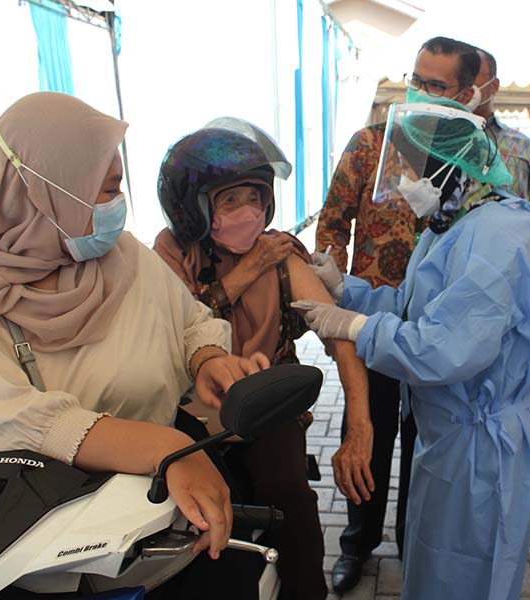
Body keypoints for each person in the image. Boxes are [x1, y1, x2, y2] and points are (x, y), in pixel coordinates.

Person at [0, 93, 273, 598]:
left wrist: (207, 359)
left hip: (164, 506)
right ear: (42, 194)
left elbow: (189, 322)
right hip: (53, 544)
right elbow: (15, 418)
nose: (118, 206)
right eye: (106, 189)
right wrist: (165, 449)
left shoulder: (124, 256)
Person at [295, 73, 530, 600]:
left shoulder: (498, 236)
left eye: (413, 169)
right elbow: (414, 307)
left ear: (448, 167)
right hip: (449, 439)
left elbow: (443, 349)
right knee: (434, 566)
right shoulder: (454, 224)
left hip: (481, 449)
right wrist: (345, 289)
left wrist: (355, 328)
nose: (405, 182)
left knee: (469, 576)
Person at [152, 118, 372, 600]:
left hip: (266, 407)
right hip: (192, 411)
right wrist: (248, 269)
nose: (248, 211)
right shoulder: (170, 253)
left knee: (290, 499)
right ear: (193, 208)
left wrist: (359, 427)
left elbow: (339, 336)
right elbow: (178, 324)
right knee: (193, 514)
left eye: (255, 197)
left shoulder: (280, 252)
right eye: (230, 200)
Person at [313, 35, 480, 594]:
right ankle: (356, 543)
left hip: (436, 329)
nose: (423, 93)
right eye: (418, 81)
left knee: (426, 442)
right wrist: (333, 293)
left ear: (466, 93)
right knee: (367, 432)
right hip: (369, 323)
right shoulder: (371, 144)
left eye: (438, 85)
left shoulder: (469, 159)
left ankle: (415, 543)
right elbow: (333, 221)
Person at [471, 48, 530, 221]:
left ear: (494, 85)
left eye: (472, 74)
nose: (465, 83)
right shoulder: (437, 142)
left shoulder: (523, 146)